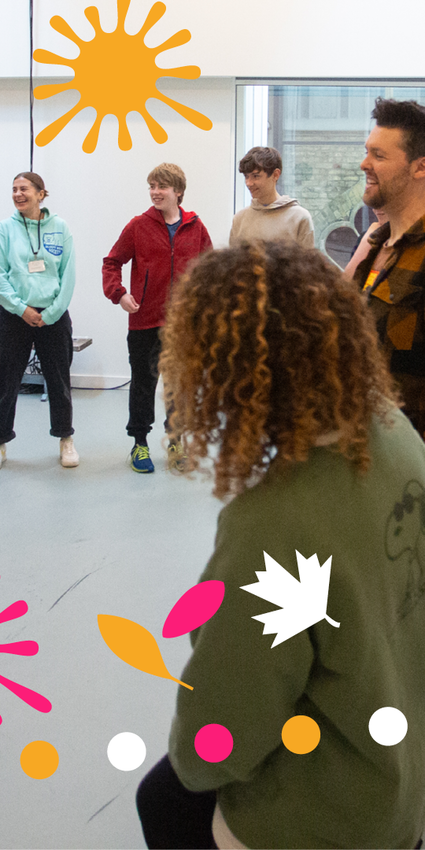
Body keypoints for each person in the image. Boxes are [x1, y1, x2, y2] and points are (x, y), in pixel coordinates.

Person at [136, 242, 425, 849]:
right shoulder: (396, 435)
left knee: (163, 797)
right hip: (404, 772)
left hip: (333, 813)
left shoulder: (274, 526)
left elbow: (215, 740)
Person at [102, 163, 211, 473]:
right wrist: (119, 294)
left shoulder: (196, 227)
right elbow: (111, 263)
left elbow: (210, 271)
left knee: (179, 386)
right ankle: (139, 444)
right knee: (142, 385)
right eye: (151, 186)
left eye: (161, 186)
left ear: (178, 191)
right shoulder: (138, 226)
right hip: (144, 323)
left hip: (181, 326)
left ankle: (176, 441)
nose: (155, 192)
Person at [0, 172, 78, 471]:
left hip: (53, 315)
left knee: (59, 381)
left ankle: (65, 439)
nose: (18, 194)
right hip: (14, 317)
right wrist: (21, 309)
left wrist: (49, 314)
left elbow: (69, 276)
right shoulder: (4, 229)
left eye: (24, 189)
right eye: (13, 189)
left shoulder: (59, 227)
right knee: (6, 381)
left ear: (41, 193)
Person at [352, 98, 425, 438]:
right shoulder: (376, 247)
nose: (364, 163)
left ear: (420, 167)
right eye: (367, 152)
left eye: (379, 156)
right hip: (370, 453)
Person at [229, 146, 314, 248]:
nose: (249, 183)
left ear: (275, 175)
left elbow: (308, 262)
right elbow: (233, 262)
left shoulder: (299, 217)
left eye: (256, 176)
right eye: (246, 177)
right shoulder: (239, 219)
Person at [343, 207, 387, 279]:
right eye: (374, 203)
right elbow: (348, 280)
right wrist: (366, 241)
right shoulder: (366, 236)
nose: (377, 208)